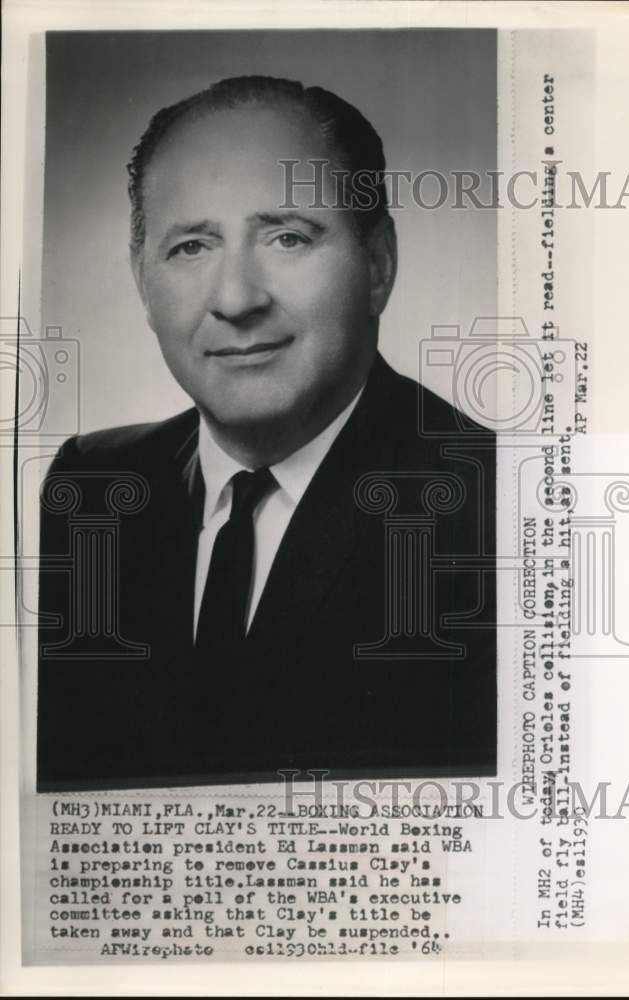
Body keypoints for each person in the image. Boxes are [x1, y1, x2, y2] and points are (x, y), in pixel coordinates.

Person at [37, 76, 496, 791]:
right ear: (140, 277)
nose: (236, 299)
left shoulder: (501, 510)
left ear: (378, 264)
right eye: (190, 247)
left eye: (287, 236)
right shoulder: (91, 487)